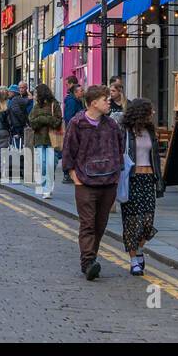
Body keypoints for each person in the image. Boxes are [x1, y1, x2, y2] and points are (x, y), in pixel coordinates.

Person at [61, 84, 125, 281]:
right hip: (86, 182)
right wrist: (74, 176)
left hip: (108, 181)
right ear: (93, 103)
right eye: (105, 99)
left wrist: (117, 173)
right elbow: (68, 150)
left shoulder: (112, 124)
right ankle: (88, 262)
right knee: (88, 223)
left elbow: (120, 148)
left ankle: (91, 257)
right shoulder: (77, 123)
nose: (109, 102)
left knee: (100, 224)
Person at [117, 97, 164, 276]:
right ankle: (133, 260)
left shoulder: (150, 131)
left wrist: (159, 180)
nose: (152, 113)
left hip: (148, 179)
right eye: (149, 110)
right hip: (132, 179)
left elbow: (155, 158)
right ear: (140, 112)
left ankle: (139, 249)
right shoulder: (125, 131)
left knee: (147, 221)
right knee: (131, 222)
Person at [27, 84, 62, 198]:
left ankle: (47, 189)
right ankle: (46, 185)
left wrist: (43, 119)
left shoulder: (54, 104)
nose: (35, 95)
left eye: (36, 93)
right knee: (42, 165)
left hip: (52, 140)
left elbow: (58, 121)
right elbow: (32, 122)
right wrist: (44, 119)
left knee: (50, 165)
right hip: (39, 140)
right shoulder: (36, 107)